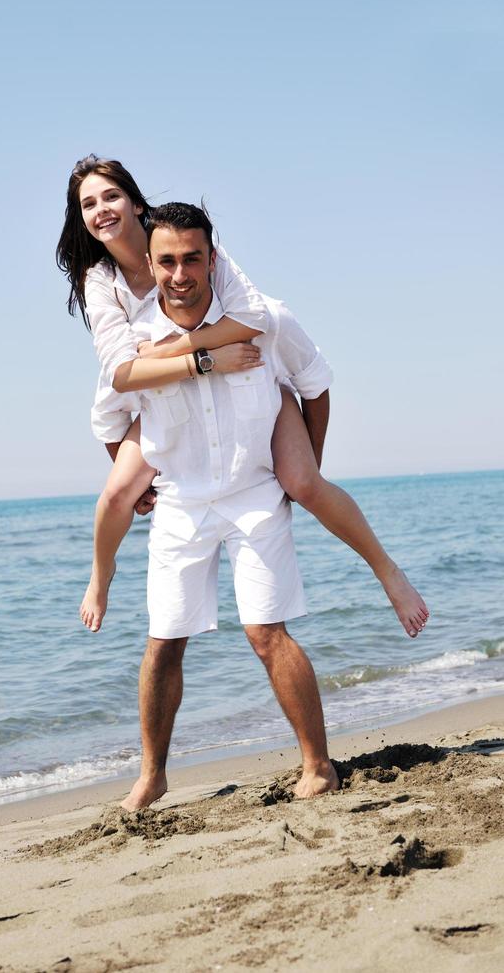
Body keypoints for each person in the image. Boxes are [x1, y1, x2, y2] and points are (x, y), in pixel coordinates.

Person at [56, 155, 429, 640]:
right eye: (88, 203)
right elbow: (123, 374)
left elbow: (253, 317)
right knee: (115, 493)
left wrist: (182, 347)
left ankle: (388, 572)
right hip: (165, 393)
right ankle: (100, 578)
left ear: (134, 201)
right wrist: (192, 365)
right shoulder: (101, 280)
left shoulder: (184, 236)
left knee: (304, 483)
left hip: (239, 381)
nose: (102, 209)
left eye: (111, 196)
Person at [117, 201, 341, 806]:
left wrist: (306, 467)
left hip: (254, 496)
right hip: (180, 505)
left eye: (193, 258)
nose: (180, 273)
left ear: (213, 259)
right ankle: (152, 775)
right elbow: (107, 413)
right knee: (164, 639)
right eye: (167, 261)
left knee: (266, 631)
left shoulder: (266, 318)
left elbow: (316, 385)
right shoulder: (136, 342)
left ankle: (317, 765)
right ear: (151, 262)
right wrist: (134, 483)